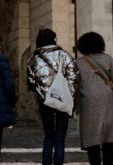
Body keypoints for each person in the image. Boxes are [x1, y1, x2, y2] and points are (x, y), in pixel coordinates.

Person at [27, 28, 78, 165]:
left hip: (45, 100)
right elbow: (74, 77)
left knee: (48, 135)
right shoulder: (64, 55)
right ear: (54, 40)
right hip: (62, 99)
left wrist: (41, 91)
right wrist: (70, 95)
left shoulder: (34, 59)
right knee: (60, 137)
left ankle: (46, 161)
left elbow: (31, 81)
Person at [76, 32, 113, 165]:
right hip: (107, 99)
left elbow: (75, 84)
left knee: (91, 136)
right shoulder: (107, 59)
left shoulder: (79, 63)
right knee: (107, 137)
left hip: (88, 100)